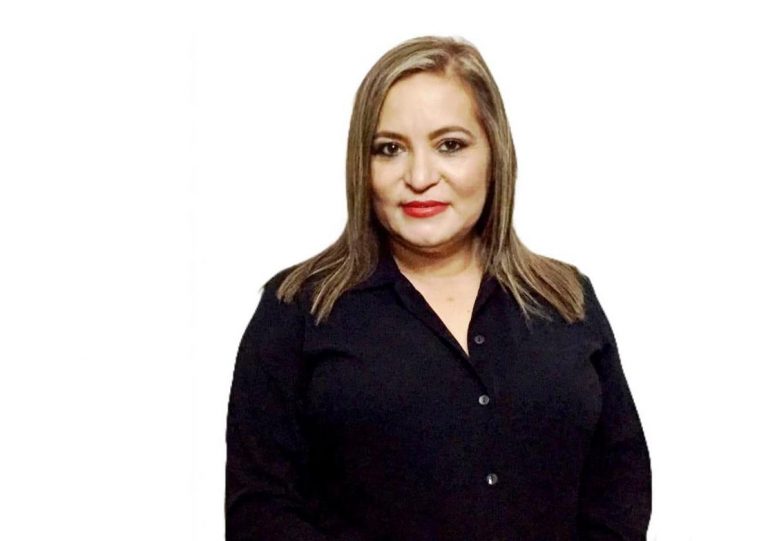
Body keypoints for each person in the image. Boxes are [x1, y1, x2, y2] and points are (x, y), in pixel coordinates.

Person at [225, 35, 652, 541]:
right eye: (390, 149)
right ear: (363, 166)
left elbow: (620, 487)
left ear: (494, 153)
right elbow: (261, 510)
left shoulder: (567, 299)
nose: (420, 176)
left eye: (450, 145)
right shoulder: (297, 309)